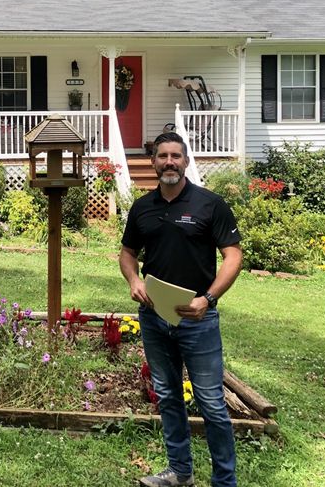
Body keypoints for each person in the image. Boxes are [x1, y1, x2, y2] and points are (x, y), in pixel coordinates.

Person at [120, 131, 243, 487]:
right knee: (169, 395)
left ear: (186, 161)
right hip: (155, 317)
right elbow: (128, 254)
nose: (169, 162)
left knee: (211, 403)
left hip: (198, 319)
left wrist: (209, 298)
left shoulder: (209, 204)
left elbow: (233, 256)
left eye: (176, 156)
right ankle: (180, 472)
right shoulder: (142, 207)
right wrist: (134, 281)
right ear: (154, 162)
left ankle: (224, 481)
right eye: (162, 156)